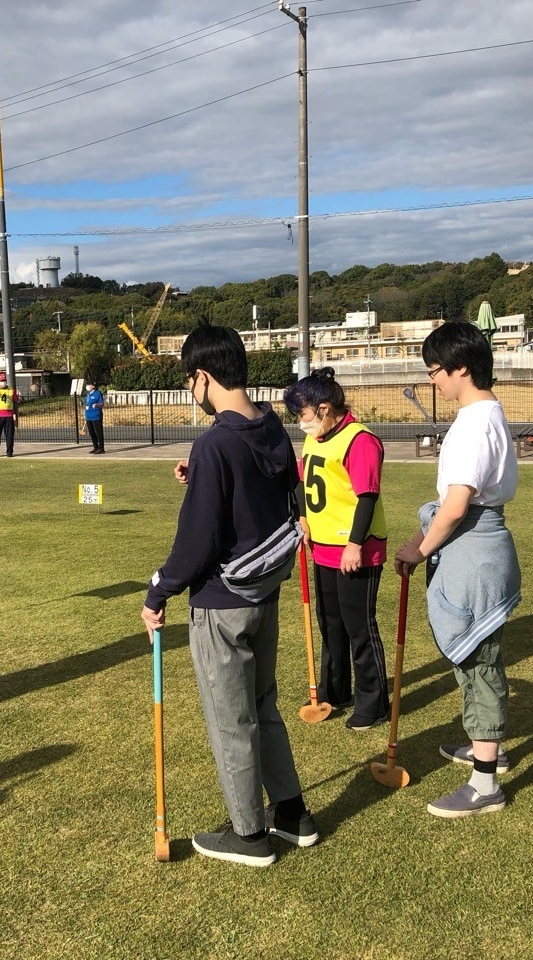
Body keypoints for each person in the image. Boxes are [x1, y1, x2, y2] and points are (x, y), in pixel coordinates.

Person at [142, 321, 315, 867]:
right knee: (263, 706)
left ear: (201, 376)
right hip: (265, 593)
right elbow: (273, 496)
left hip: (222, 602)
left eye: (189, 383)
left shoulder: (216, 442)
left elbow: (197, 542)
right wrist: (202, 473)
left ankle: (248, 835)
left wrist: (158, 591)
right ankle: (292, 814)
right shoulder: (271, 428)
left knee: (230, 718)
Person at [393, 321, 521, 819]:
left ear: (461, 368)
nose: (433, 382)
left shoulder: (473, 423)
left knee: (480, 663)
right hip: (481, 548)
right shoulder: (488, 413)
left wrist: (417, 551)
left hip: (475, 554)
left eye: (435, 372)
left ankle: (485, 783)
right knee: (476, 658)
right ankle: (485, 745)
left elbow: (454, 507)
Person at [283, 367, 390, 731]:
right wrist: (302, 518)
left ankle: (374, 703)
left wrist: (355, 544)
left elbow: (367, 497)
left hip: (355, 549)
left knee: (359, 627)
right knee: (331, 625)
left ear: (324, 408)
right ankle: (335, 690)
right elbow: (301, 481)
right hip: (323, 547)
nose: (302, 422)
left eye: (304, 414)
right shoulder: (317, 437)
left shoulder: (360, 440)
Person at [83, 380, 105, 454]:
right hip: (89, 417)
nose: (87, 386)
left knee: (98, 433)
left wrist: (96, 405)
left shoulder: (97, 393)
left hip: (96, 416)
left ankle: (101, 448)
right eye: (87, 384)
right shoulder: (88, 394)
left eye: (89, 384)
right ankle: (95, 447)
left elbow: (101, 404)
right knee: (92, 433)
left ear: (93, 386)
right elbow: (86, 404)